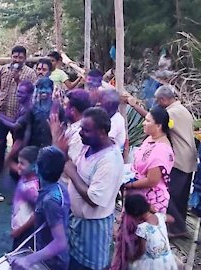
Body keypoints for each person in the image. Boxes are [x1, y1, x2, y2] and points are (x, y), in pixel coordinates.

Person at [54, 107, 124, 270]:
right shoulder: (88, 146)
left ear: (101, 132)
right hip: (77, 221)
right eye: (81, 129)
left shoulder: (109, 161)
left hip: (94, 227)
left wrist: (71, 173)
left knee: (90, 267)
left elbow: (94, 200)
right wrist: (63, 154)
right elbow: (73, 165)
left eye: (86, 130)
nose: (80, 133)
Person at [126, 85, 197, 237]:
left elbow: (155, 121)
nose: (157, 104)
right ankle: (178, 227)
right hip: (187, 158)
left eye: (158, 101)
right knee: (180, 198)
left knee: (166, 195)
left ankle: (175, 228)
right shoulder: (182, 109)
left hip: (179, 160)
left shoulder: (172, 113)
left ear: (164, 99)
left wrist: (134, 105)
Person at [112, 106, 175, 270]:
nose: (143, 124)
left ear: (159, 125)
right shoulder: (151, 139)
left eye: (147, 121)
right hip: (138, 195)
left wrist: (128, 184)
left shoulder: (161, 150)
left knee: (137, 239)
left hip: (149, 197)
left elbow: (152, 180)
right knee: (129, 235)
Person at [11, 146, 70, 270]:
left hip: (53, 263)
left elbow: (60, 242)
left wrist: (28, 260)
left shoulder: (50, 200)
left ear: (37, 168)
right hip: (48, 257)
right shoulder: (59, 188)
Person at [0, 46, 37, 178]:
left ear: (25, 58)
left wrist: (18, 79)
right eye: (15, 57)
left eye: (20, 57)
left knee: (18, 146)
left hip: (19, 117)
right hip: (3, 113)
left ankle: (16, 172)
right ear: (11, 56)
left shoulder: (30, 73)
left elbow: (32, 93)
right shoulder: (3, 69)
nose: (17, 60)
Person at [124, 194, 178, 270]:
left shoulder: (142, 228)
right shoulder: (160, 217)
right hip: (167, 259)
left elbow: (141, 250)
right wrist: (155, 212)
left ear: (134, 214)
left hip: (153, 263)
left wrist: (133, 258)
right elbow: (172, 219)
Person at [51, 89, 92, 185]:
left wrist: (55, 137)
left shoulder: (80, 135)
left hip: (69, 189)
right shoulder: (73, 126)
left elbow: (73, 168)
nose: (64, 108)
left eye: (65, 105)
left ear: (73, 110)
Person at [9, 146, 40, 250]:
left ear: (34, 166)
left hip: (27, 232)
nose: (18, 166)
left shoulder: (32, 188)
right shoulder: (24, 177)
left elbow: (38, 213)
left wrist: (20, 230)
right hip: (20, 228)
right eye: (18, 162)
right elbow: (11, 165)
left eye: (22, 163)